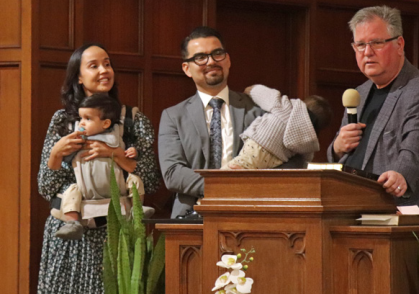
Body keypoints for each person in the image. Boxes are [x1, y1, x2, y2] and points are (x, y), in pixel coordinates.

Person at [36, 43, 161, 294]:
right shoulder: (63, 121)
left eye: (107, 63)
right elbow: (45, 188)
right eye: (94, 66)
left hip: (116, 232)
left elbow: (151, 180)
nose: (104, 70)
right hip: (70, 235)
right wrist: (56, 153)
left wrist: (114, 154)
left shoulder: (132, 121)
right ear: (78, 77)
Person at [158, 26, 304, 219]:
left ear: (228, 60)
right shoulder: (173, 116)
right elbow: (172, 173)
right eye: (200, 57)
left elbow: (291, 159)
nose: (211, 62)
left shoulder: (257, 108)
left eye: (217, 54)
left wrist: (248, 188)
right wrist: (224, 187)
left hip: (251, 214)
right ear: (187, 68)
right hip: (191, 218)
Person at [327, 5, 419, 224]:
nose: (367, 52)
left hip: (406, 213)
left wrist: (401, 173)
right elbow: (345, 154)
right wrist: (337, 148)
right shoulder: (359, 94)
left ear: (399, 44)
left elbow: (418, 146)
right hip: (356, 212)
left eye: (376, 43)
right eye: (360, 45)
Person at [52, 94, 150, 240]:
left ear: (105, 124)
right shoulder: (76, 139)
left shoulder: (117, 136)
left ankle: (137, 208)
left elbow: (132, 159)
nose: (82, 124)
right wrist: (59, 151)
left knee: (135, 181)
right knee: (71, 192)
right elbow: (61, 165)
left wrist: (132, 152)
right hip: (86, 189)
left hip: (117, 188)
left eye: (88, 119)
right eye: (81, 119)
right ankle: (72, 223)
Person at [224, 84, 332, 169]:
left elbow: (269, 96)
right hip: (275, 160)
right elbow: (305, 161)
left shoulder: (288, 109)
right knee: (248, 169)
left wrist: (252, 90)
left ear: (302, 105)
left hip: (259, 144)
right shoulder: (309, 141)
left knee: (227, 172)